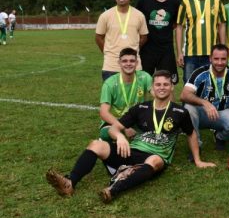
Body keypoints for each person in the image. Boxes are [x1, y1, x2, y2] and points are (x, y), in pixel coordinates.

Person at [45, 70, 216, 203]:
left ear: (172, 87)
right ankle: (70, 183)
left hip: (156, 156)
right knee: (96, 145)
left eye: (166, 84)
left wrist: (198, 160)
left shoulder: (180, 112)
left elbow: (191, 134)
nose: (162, 87)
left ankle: (113, 190)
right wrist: (119, 137)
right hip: (132, 151)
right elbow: (114, 128)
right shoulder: (140, 108)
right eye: (158, 84)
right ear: (152, 88)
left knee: (155, 161)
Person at [97, 48, 154, 156]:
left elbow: (158, 95)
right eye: (124, 61)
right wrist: (125, 127)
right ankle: (115, 144)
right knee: (105, 134)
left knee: (153, 132)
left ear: (137, 62)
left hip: (136, 119)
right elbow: (103, 113)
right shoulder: (110, 83)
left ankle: (135, 144)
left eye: (132, 61)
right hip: (116, 120)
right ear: (119, 63)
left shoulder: (144, 77)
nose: (128, 64)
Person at [175, 0, 227, 82]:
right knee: (190, 85)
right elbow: (179, 28)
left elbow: (221, 25)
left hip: (212, 54)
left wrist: (223, 49)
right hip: (190, 54)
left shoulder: (217, 1)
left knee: (210, 85)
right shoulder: (185, 2)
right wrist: (179, 53)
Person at [136, 0, 181, 83]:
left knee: (167, 83)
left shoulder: (175, 2)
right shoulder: (143, 1)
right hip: (146, 50)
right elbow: (137, 24)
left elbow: (175, 24)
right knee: (142, 83)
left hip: (166, 50)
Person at [95, 0, 149, 80]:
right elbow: (98, 37)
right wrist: (108, 52)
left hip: (134, 65)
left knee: (135, 90)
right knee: (111, 90)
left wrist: (134, 49)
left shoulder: (139, 15)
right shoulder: (105, 16)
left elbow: (144, 37)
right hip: (111, 66)